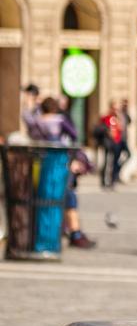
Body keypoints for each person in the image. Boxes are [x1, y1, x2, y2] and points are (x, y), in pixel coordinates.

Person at [24, 96, 95, 248]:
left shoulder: (35, 121)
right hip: (58, 164)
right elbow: (74, 135)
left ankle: (53, 233)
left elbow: (26, 119)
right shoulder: (59, 120)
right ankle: (74, 233)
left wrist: (32, 104)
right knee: (67, 196)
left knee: (45, 199)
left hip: (39, 164)